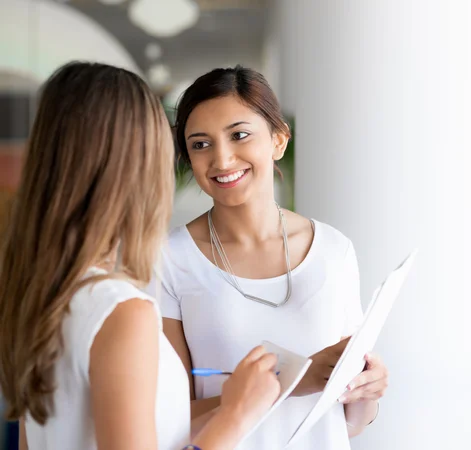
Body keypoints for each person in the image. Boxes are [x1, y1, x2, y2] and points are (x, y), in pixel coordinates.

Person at [0, 61, 281, 450]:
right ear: (136, 167)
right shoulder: (121, 312)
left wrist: (247, 399)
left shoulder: (43, 301)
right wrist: (236, 416)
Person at [150, 66, 389, 450]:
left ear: (278, 140)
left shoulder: (334, 251)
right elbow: (164, 417)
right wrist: (295, 381)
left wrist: (367, 390)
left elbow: (350, 423)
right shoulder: (169, 259)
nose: (222, 159)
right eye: (200, 144)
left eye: (239, 135)